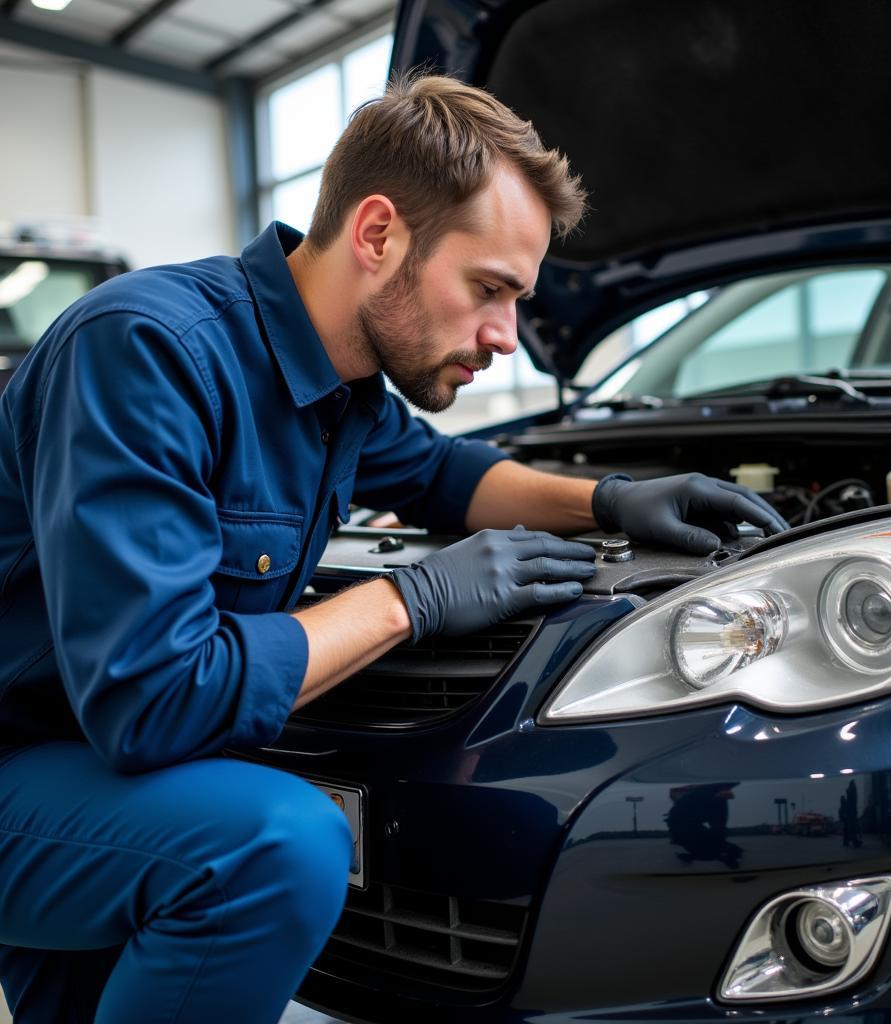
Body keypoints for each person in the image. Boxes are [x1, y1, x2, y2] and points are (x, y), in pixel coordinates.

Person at [0, 73, 787, 1023]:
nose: (506, 336)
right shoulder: (146, 352)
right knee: (274, 843)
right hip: (39, 757)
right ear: (378, 235)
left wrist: (615, 499)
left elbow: (451, 479)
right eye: (488, 289)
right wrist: (410, 601)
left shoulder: (350, 385)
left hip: (96, 770)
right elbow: (153, 701)